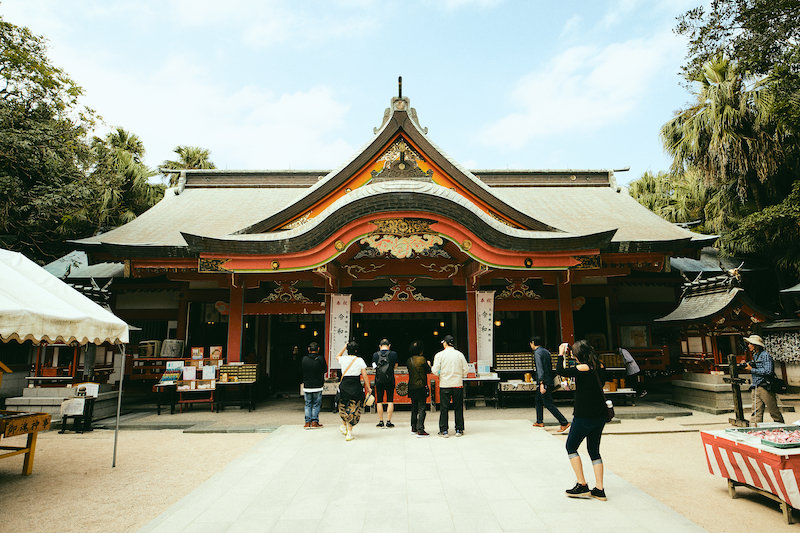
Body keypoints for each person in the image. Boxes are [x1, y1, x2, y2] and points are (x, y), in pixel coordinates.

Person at [557, 340, 608, 501]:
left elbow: (561, 371)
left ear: (578, 355)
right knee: (594, 450)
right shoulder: (600, 366)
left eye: (573, 353)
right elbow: (603, 382)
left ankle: (582, 484)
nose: (572, 354)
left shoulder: (582, 368)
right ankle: (599, 489)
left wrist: (560, 354)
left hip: (584, 414)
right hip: (600, 415)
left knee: (571, 446)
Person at [432, 334, 468, 437]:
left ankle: (444, 430)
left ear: (445, 343)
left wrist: (440, 373)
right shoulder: (459, 355)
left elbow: (434, 370)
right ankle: (459, 429)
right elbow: (465, 370)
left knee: (444, 408)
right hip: (457, 384)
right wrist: (459, 375)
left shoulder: (439, 355)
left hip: (445, 384)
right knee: (458, 407)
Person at [530, 337, 570, 433]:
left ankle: (564, 422)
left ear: (533, 343)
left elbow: (540, 369)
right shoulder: (546, 352)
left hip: (544, 382)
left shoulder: (537, 353)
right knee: (538, 401)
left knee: (548, 404)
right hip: (548, 379)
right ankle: (539, 421)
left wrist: (541, 383)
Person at [743, 334, 784, 425]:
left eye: (750, 344)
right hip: (756, 386)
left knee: (773, 410)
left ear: (756, 345)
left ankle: (782, 427)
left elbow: (768, 371)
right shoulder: (756, 355)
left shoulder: (765, 355)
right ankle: (755, 430)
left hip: (765, 386)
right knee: (756, 411)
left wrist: (752, 369)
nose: (749, 345)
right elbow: (755, 364)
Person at [336, 341, 372, 441]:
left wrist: (344, 347)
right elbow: (364, 375)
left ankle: (344, 426)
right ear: (356, 350)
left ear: (347, 350)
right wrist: (368, 387)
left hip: (344, 385)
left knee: (343, 406)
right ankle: (349, 432)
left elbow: (337, 356)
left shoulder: (343, 359)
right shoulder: (360, 360)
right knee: (353, 408)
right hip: (355, 385)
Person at [407, 340, 431, 437]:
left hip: (411, 386)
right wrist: (428, 364)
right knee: (422, 408)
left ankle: (413, 427)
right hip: (421, 386)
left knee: (414, 408)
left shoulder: (409, 360)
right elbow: (428, 371)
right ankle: (420, 429)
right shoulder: (422, 359)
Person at [372, 338, 399, 428]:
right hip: (390, 379)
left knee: (379, 401)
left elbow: (374, 367)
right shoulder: (394, 354)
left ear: (380, 346)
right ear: (389, 346)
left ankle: (380, 421)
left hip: (379, 380)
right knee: (390, 400)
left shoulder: (375, 355)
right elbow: (395, 366)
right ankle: (388, 421)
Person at [301, 342, 327, 429]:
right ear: (318, 349)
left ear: (309, 349)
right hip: (318, 385)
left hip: (307, 385)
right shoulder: (320, 359)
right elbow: (325, 370)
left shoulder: (304, 359)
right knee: (316, 404)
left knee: (308, 404)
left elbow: (300, 370)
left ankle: (307, 423)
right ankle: (315, 422)